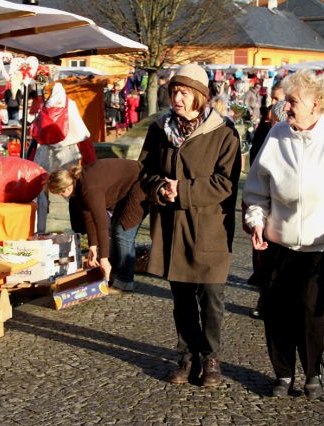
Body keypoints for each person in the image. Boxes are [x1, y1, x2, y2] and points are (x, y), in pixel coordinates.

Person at [243, 69, 324, 399]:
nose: (284, 108)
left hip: (323, 243)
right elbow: (257, 190)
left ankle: (313, 371)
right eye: (285, 101)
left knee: (310, 310)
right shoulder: (277, 135)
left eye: (292, 101)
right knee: (276, 310)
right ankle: (283, 372)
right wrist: (256, 220)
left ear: (316, 103)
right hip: (278, 241)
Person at [138, 64, 241, 387]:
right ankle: (187, 355)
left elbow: (226, 182)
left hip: (210, 227)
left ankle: (210, 356)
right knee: (182, 298)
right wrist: (160, 188)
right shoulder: (159, 129)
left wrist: (183, 190)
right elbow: (145, 171)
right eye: (174, 92)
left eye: (184, 93)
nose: (177, 98)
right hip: (172, 226)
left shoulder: (223, 132)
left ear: (199, 95)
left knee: (210, 297)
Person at [47, 159, 147, 291]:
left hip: (141, 182)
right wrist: (93, 247)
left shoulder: (89, 189)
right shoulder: (79, 186)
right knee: (115, 229)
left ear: (67, 187)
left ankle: (125, 281)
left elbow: (101, 224)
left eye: (60, 193)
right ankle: (114, 275)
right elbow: (88, 218)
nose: (61, 196)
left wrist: (103, 258)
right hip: (128, 185)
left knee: (123, 231)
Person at [246, 101, 287, 320]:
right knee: (263, 260)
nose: (270, 123)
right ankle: (264, 300)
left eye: (274, 121)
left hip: (283, 215)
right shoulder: (267, 136)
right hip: (264, 211)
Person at [34, 83, 90, 233]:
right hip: (68, 149)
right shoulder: (70, 104)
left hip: (46, 149)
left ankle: (40, 228)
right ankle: (81, 228)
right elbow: (82, 133)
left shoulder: (47, 106)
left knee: (42, 189)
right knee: (72, 190)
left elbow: (37, 130)